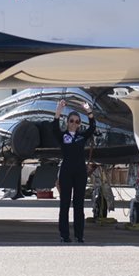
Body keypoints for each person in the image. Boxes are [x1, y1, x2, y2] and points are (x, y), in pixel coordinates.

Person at [51, 99, 96, 243]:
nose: (74, 124)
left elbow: (92, 128)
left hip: (80, 172)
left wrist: (89, 112)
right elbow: (54, 128)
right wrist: (58, 111)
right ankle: (64, 235)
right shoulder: (63, 136)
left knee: (79, 204)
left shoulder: (82, 136)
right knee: (65, 203)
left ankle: (79, 234)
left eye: (77, 122)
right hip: (66, 172)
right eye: (72, 121)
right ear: (67, 122)